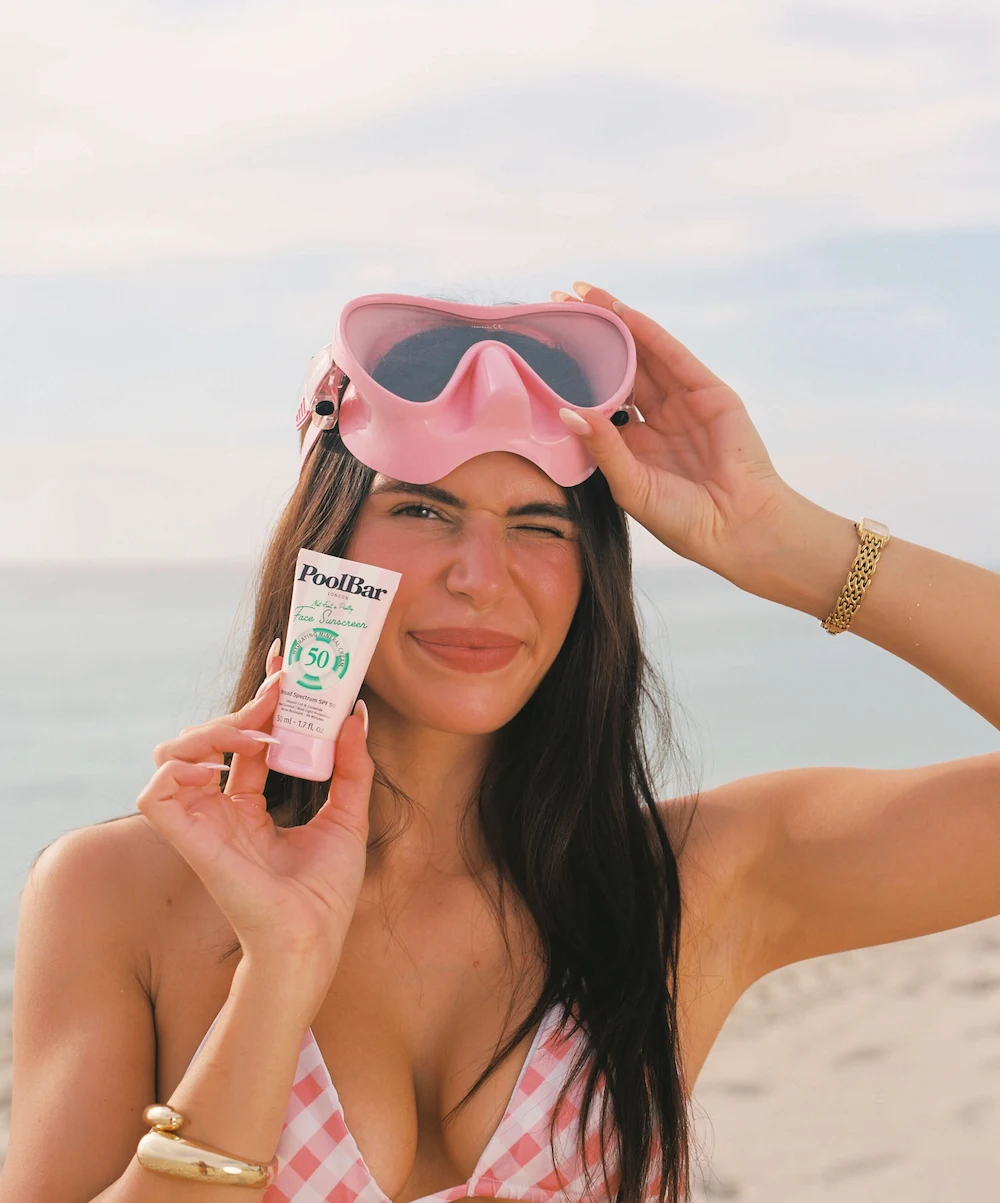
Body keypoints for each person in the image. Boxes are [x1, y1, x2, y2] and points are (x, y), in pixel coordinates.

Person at [4, 282, 999, 1203]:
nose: (481, 576)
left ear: (590, 574)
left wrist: (786, 542)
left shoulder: (693, 883)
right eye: (423, 509)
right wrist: (280, 967)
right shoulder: (126, 893)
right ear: (327, 543)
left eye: (539, 525)